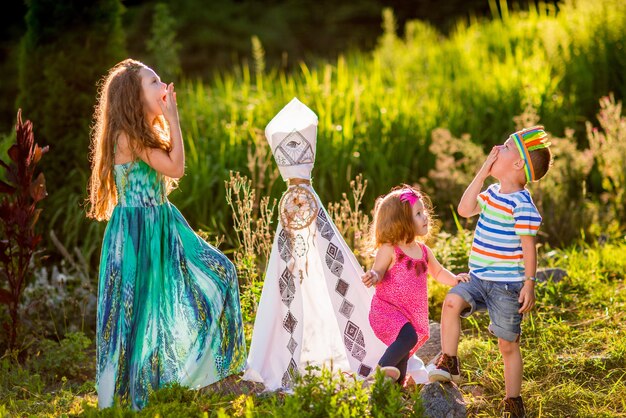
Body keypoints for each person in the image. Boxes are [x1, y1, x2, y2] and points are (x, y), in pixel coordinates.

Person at [87, 59, 246, 410]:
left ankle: (198, 372)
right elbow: (176, 166)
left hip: (161, 224)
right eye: (153, 81)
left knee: (219, 273)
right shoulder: (128, 136)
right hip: (136, 233)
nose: (163, 86)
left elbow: (172, 168)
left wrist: (166, 119)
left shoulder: (141, 132)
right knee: (137, 311)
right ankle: (130, 392)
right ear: (133, 95)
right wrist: (173, 118)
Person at [428, 126, 552, 418]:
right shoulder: (493, 193)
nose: (497, 148)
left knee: (508, 343)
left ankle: (513, 401)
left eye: (506, 146)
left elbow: (528, 247)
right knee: (451, 302)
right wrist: (482, 171)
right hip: (478, 279)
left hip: (507, 287)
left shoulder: (522, 204)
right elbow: (464, 209)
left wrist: (530, 283)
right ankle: (450, 361)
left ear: (518, 163)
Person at [362, 185, 469, 386]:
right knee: (408, 338)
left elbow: (438, 272)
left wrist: (455, 279)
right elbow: (379, 271)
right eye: (418, 213)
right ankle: (377, 375)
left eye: (424, 212)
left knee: (403, 357)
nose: (425, 216)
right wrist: (373, 276)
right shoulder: (390, 249)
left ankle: (393, 392)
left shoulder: (424, 251)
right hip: (387, 310)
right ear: (401, 221)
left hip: (410, 315)